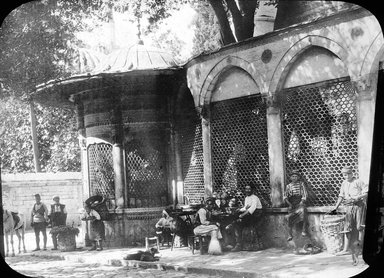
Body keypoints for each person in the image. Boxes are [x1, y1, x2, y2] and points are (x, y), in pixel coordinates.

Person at [331, 165, 368, 256]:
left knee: (360, 227)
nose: (346, 176)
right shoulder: (344, 183)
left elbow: (366, 193)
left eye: (348, 174)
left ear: (352, 173)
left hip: (359, 206)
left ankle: (360, 249)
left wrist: (357, 197)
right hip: (349, 207)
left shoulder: (358, 182)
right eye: (344, 175)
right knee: (347, 228)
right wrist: (335, 207)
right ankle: (345, 249)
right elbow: (341, 196)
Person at [231, 183, 263, 252]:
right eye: (246, 189)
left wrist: (241, 216)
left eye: (249, 189)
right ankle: (236, 242)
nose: (247, 190)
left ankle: (239, 244)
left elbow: (252, 209)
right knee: (234, 216)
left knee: (238, 222)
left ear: (252, 190)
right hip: (249, 215)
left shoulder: (255, 198)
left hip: (256, 215)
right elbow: (246, 208)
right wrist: (239, 210)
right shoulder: (246, 198)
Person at [283, 170, 308, 241]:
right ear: (290, 178)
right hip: (292, 203)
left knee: (303, 210)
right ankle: (289, 234)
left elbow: (305, 194)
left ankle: (304, 230)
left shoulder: (301, 184)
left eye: (296, 176)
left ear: (298, 177)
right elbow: (285, 197)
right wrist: (289, 204)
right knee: (289, 217)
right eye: (293, 176)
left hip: (300, 202)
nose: (294, 178)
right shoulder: (288, 186)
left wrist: (302, 202)